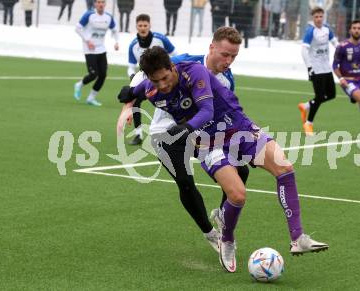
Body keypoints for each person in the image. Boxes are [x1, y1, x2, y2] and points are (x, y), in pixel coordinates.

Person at [123, 46, 329, 272]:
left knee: (285, 168)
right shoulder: (152, 88)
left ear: (171, 67)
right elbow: (135, 90)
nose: (162, 84)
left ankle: (297, 238)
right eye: (156, 80)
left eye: (164, 78)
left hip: (239, 128)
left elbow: (206, 111)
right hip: (208, 142)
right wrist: (127, 98)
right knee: (238, 195)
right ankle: (227, 240)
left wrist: (183, 129)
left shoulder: (194, 72)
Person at [118, 27, 250, 254]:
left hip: (200, 130)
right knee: (185, 181)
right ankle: (211, 234)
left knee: (242, 169)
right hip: (165, 131)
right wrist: (127, 108)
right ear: (212, 48)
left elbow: (221, 112)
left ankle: (222, 214)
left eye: (234, 57)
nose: (228, 61)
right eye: (225, 55)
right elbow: (142, 78)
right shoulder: (182, 62)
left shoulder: (227, 80)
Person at [126, 14, 177, 145]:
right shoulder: (133, 45)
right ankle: (138, 134)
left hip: (165, 79)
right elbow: (131, 67)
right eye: (140, 25)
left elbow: (175, 55)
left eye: (145, 25)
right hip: (147, 80)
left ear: (149, 25)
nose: (143, 28)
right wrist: (132, 77)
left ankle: (176, 130)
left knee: (168, 102)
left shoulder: (160, 39)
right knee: (135, 101)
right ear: (136, 27)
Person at [298, 7, 338, 136]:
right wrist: (309, 68)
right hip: (316, 69)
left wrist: (341, 54)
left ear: (323, 17)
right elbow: (304, 51)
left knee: (331, 94)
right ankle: (308, 124)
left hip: (326, 68)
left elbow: (335, 44)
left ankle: (306, 105)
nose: (319, 19)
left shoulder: (327, 29)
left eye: (321, 16)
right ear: (313, 18)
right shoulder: (311, 31)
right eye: (316, 17)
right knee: (320, 96)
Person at [74, 0, 119, 106]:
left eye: (103, 2)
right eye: (98, 2)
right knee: (94, 74)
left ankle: (91, 98)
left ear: (105, 4)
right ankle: (79, 85)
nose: (100, 4)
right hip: (89, 49)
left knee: (103, 75)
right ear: (95, 4)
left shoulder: (108, 17)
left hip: (101, 49)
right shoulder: (89, 15)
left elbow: (115, 30)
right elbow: (78, 28)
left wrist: (116, 42)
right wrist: (87, 40)